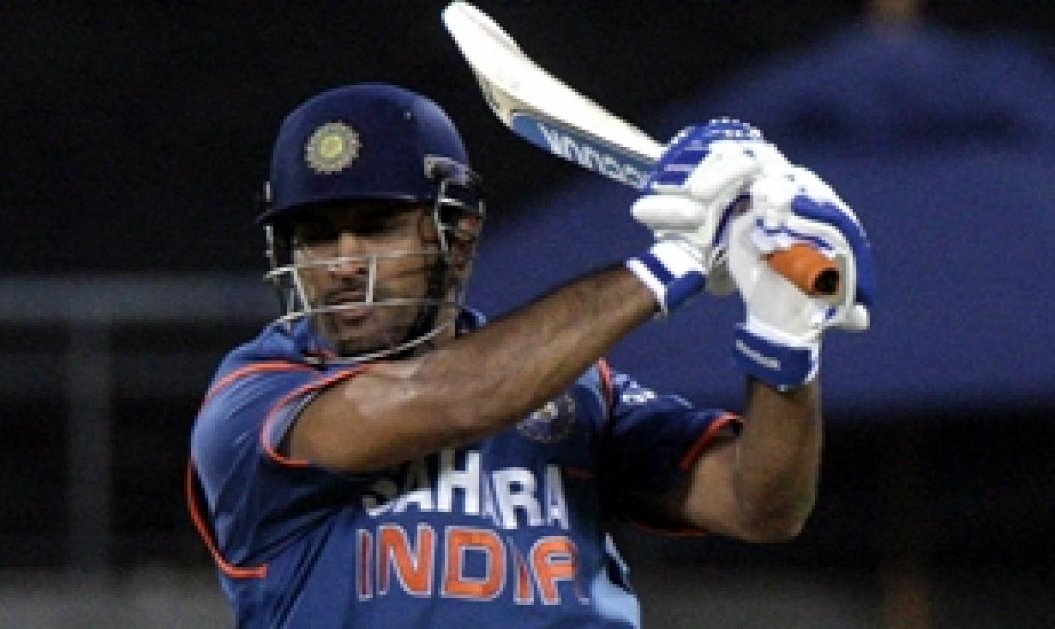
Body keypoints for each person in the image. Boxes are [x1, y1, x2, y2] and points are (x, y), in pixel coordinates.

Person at [187, 83, 874, 628]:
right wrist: (680, 258)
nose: (341, 263)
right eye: (314, 235)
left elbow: (762, 506)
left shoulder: (577, 389)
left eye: (376, 228)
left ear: (458, 237)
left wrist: (785, 339)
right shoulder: (257, 395)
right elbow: (453, 399)